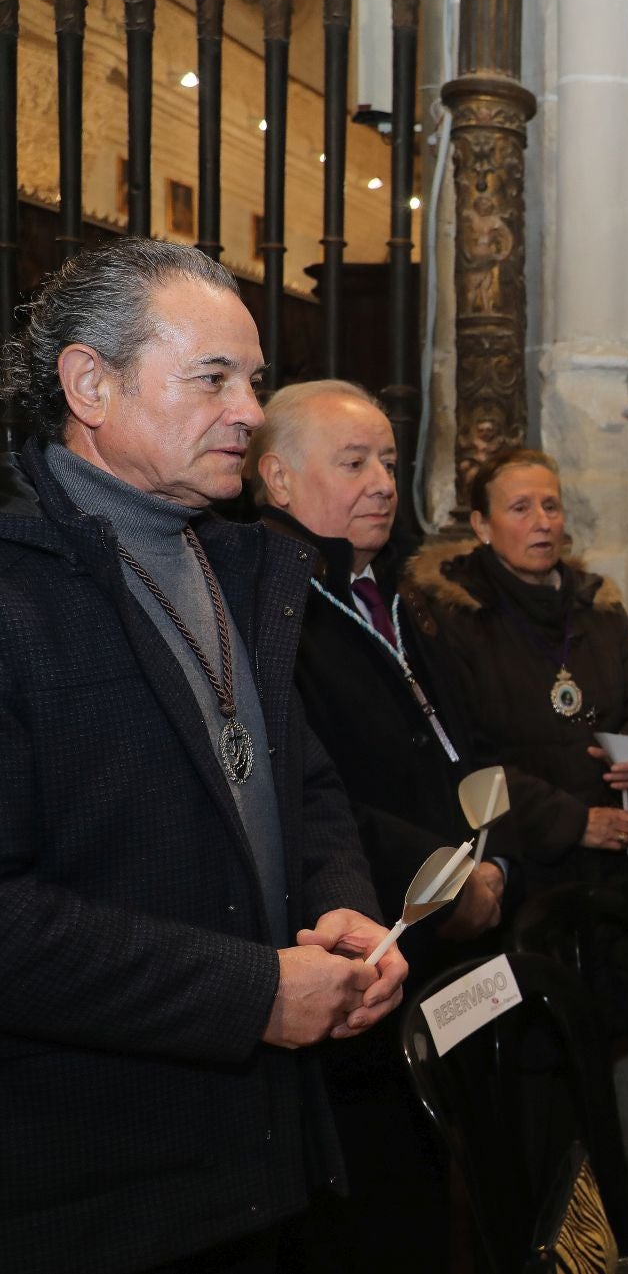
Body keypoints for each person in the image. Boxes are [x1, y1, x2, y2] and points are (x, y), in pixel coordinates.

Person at [0, 238, 405, 1273]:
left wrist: (342, 899)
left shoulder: (238, 562)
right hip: (96, 1184)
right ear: (89, 382)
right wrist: (251, 993)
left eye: (254, 379)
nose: (246, 411)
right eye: (212, 377)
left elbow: (300, 782)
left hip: (261, 1155)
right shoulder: (18, 591)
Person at [247, 380, 510, 1269]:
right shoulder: (273, 609)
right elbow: (316, 794)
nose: (382, 482)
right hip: (370, 927)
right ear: (277, 480)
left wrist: (491, 857)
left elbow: (460, 744)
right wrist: (443, 876)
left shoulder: (391, 591)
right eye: (353, 462)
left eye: (390, 462)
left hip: (455, 927)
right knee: (384, 1203)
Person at [407, 448, 628, 890]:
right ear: (482, 526)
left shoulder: (597, 608)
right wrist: (572, 823)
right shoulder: (451, 619)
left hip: (609, 862)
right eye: (520, 508)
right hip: (515, 864)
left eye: (551, 506)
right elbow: (468, 760)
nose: (542, 521)